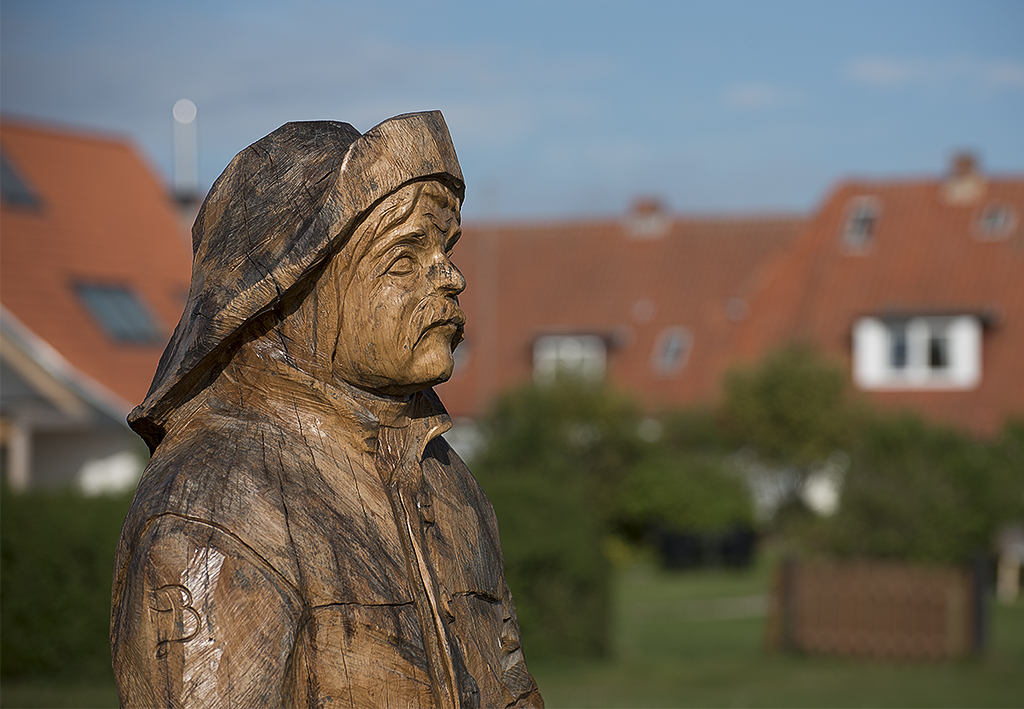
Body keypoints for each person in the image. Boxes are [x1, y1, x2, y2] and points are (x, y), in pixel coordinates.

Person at [110, 112, 542, 708]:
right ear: (287, 294)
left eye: (446, 249)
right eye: (403, 258)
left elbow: (512, 686)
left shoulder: (450, 482)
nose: (451, 277)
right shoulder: (210, 508)